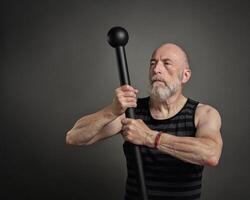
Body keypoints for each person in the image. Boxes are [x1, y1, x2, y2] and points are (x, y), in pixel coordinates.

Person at [66, 43, 223, 200]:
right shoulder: (131, 112)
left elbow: (210, 154)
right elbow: (74, 137)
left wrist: (149, 137)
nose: (156, 69)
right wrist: (112, 110)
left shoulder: (203, 113)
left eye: (166, 63)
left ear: (185, 75)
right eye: (153, 63)